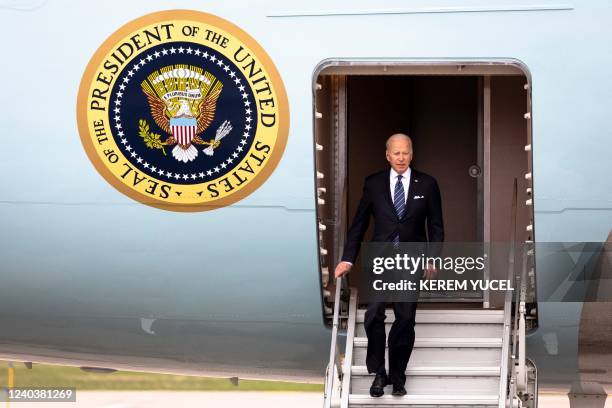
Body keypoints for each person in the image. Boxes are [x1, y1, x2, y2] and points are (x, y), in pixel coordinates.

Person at [334, 133, 444, 397]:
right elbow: (359, 224)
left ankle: (398, 375)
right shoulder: (373, 184)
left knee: (405, 318)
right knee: (374, 314)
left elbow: (437, 226)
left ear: (411, 153)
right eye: (396, 153)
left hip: (411, 259)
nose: (401, 158)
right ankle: (378, 373)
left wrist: (433, 257)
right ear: (387, 155)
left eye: (405, 152)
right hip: (380, 259)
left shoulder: (427, 184)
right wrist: (348, 258)